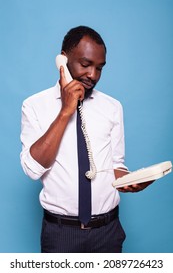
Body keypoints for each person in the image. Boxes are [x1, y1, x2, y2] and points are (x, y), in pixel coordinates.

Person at [20, 26, 152, 253]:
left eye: (99, 68)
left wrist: (131, 180)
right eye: (85, 64)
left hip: (108, 231)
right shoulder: (34, 105)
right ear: (63, 59)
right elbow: (33, 169)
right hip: (61, 234)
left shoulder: (112, 107)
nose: (93, 75)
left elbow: (116, 165)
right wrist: (65, 112)